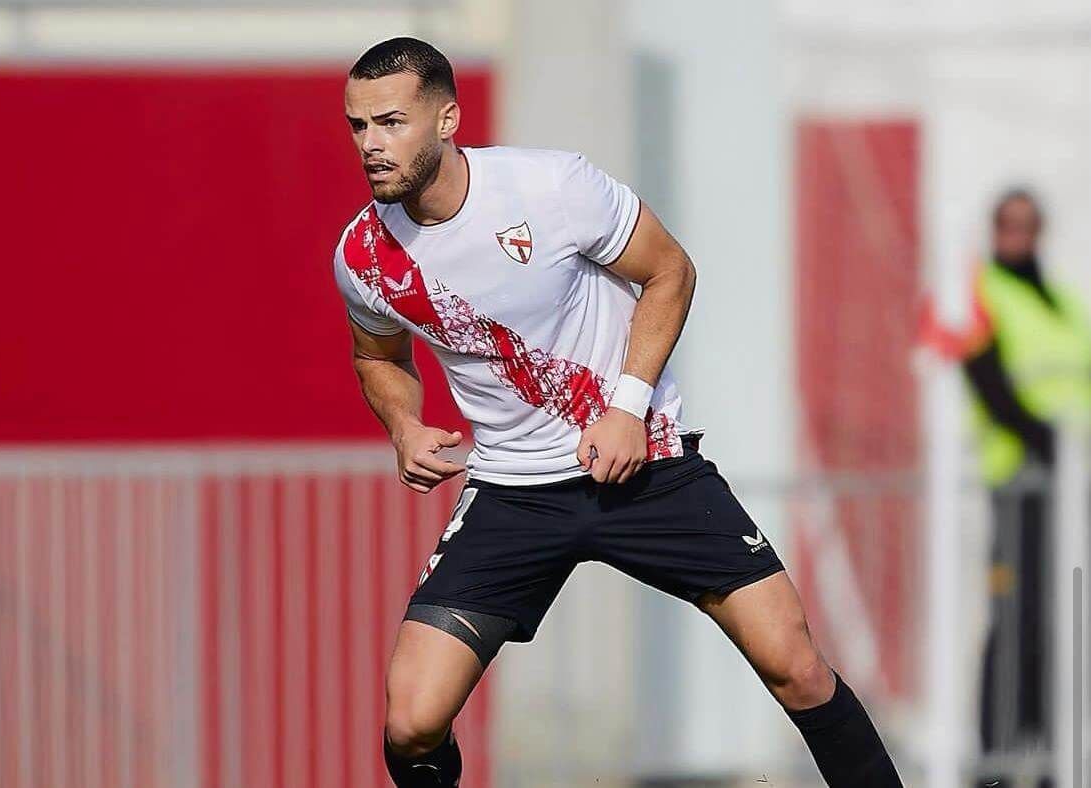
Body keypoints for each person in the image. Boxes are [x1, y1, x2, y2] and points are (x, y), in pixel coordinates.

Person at [332, 37, 902, 787]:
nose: (373, 145)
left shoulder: (550, 187)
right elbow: (379, 359)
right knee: (411, 722)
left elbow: (671, 269)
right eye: (359, 126)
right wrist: (403, 426)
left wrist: (628, 407)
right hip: (513, 492)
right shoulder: (364, 256)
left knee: (795, 665)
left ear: (447, 119)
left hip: (649, 467)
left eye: (392, 122)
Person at [966, 189, 1091, 787]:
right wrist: (1052, 445)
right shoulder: (982, 292)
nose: (1017, 237)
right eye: (1007, 226)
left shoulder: (1062, 300)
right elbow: (989, 381)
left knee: (1057, 619)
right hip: (1018, 479)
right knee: (1014, 617)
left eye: (1026, 227)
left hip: (1068, 487)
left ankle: (1044, 755)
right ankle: (995, 756)